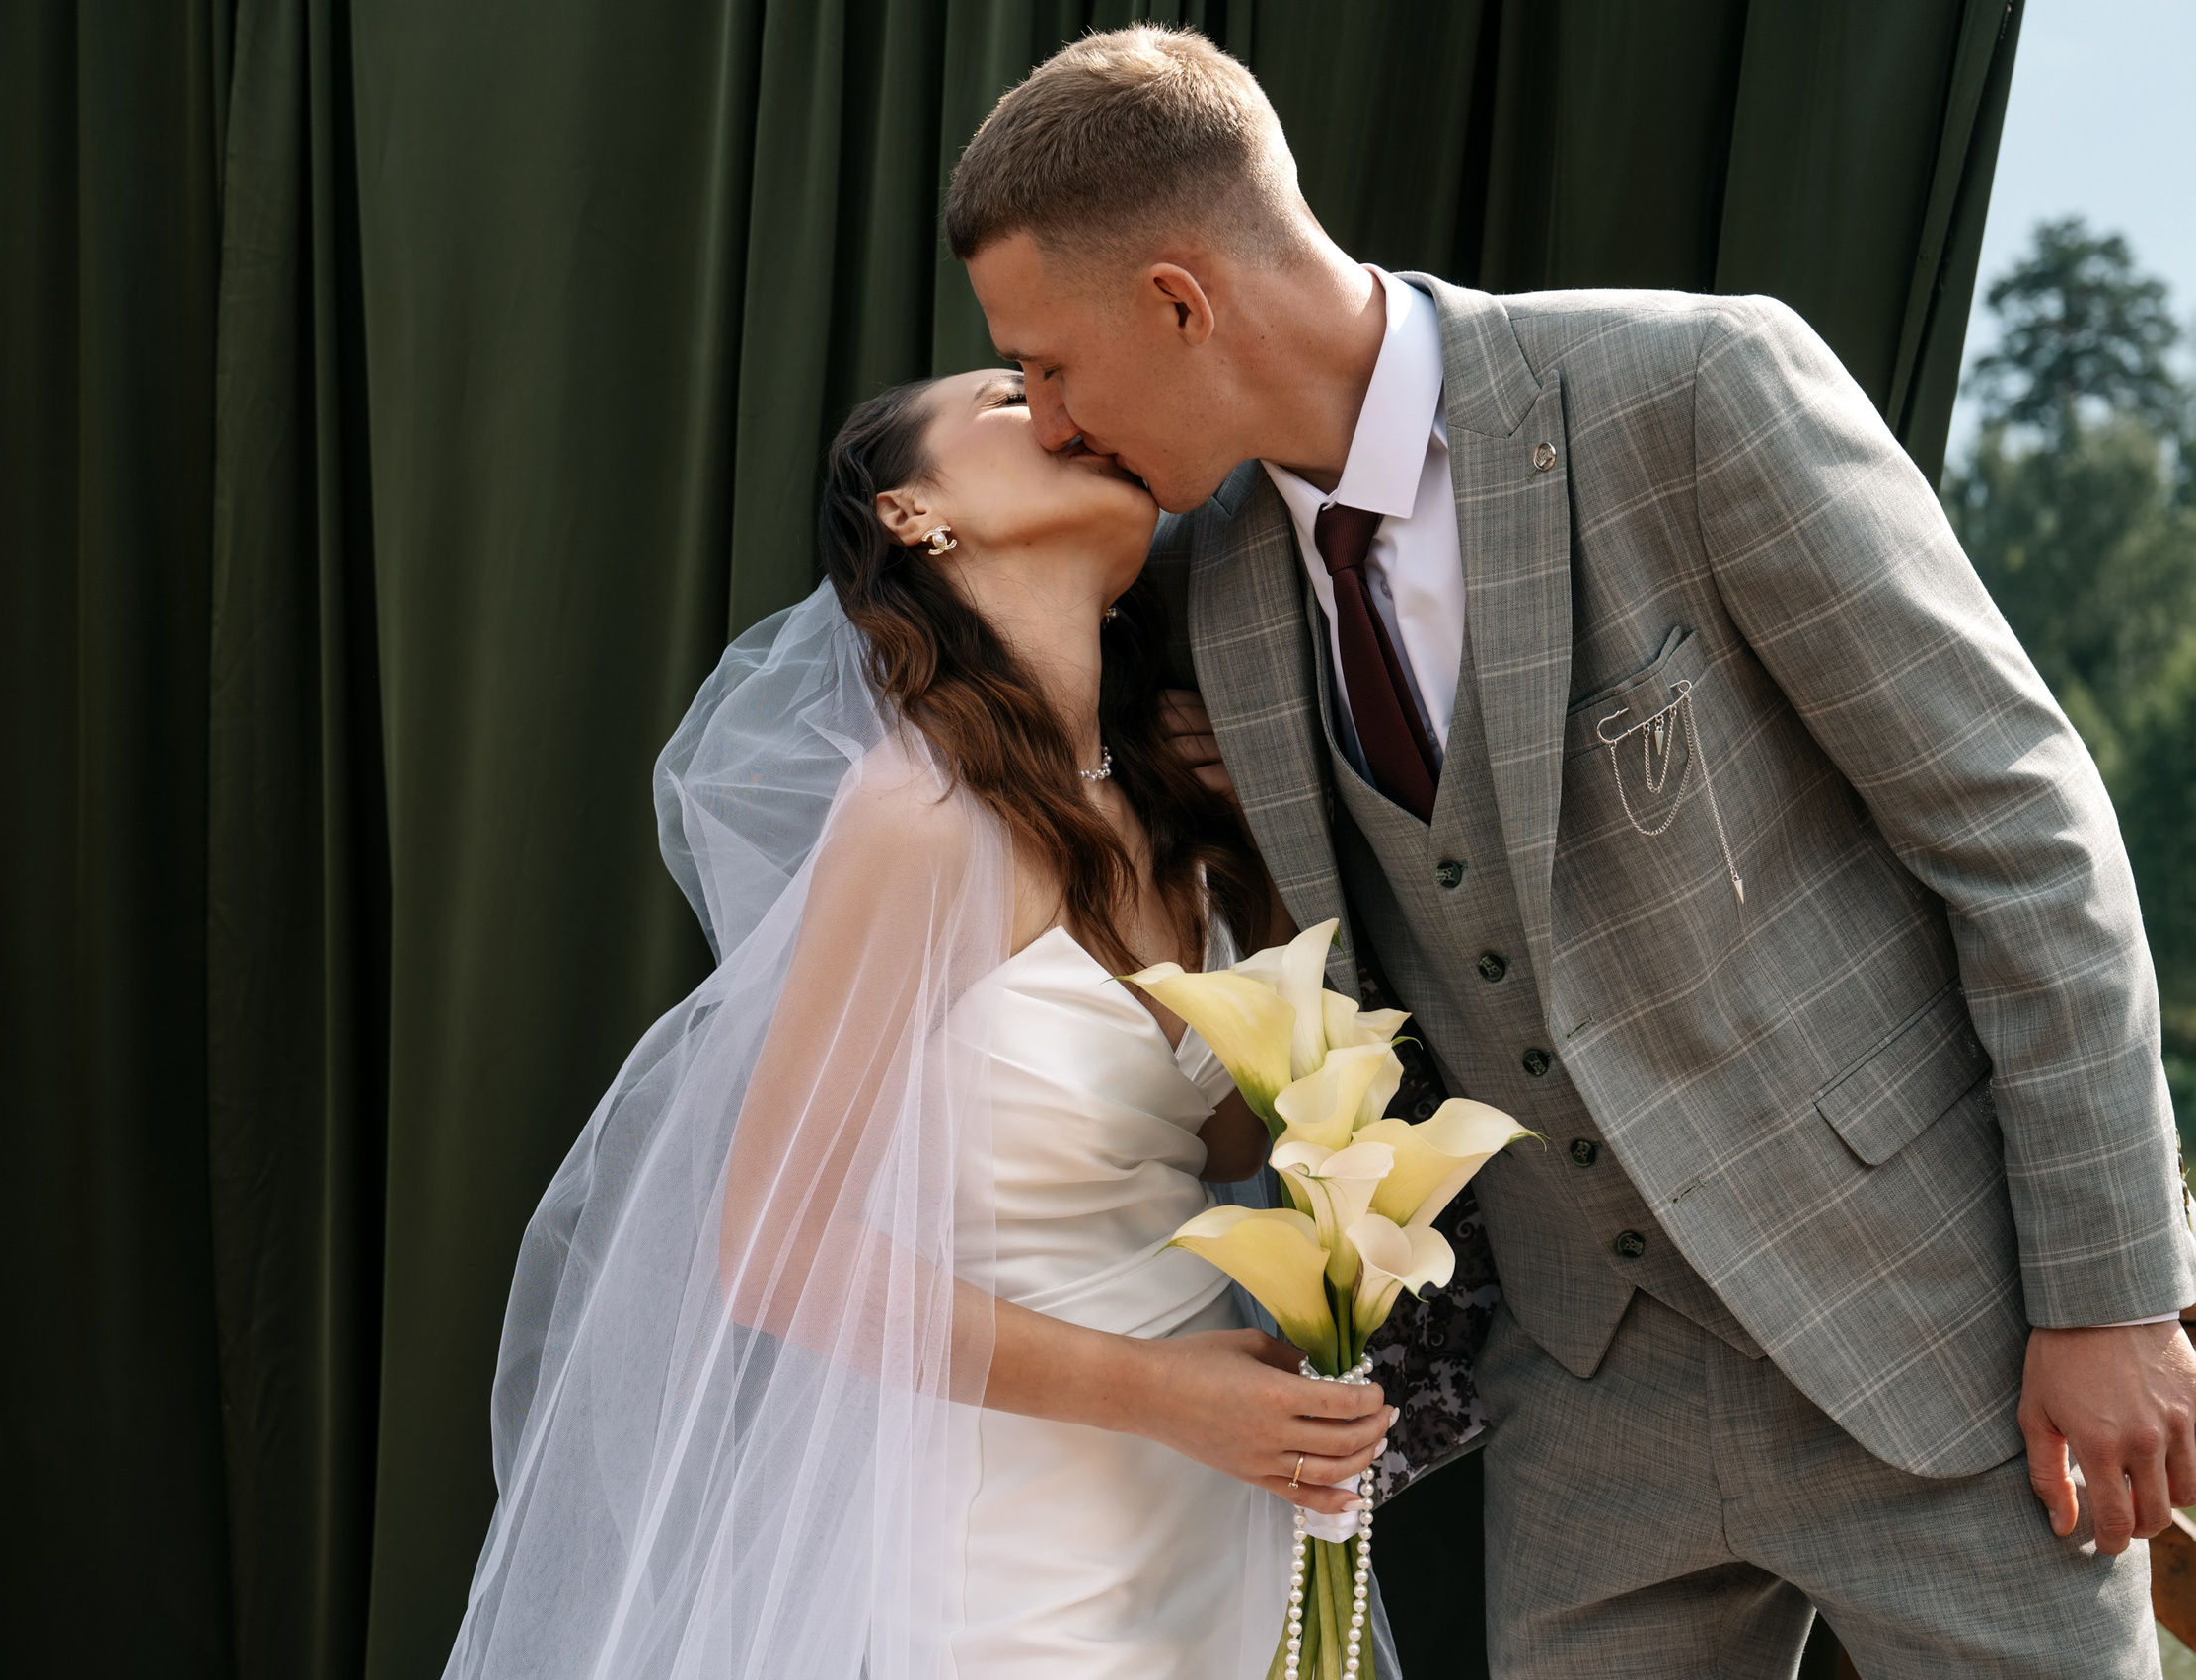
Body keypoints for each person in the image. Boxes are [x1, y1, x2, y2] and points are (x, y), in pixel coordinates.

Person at [943, 23, 2196, 1680]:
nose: (1044, 418)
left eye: (1049, 362)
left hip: (1930, 1333)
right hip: (1589, 1389)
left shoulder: (1692, 394)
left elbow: (2023, 833)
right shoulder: (1209, 584)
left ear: (1182, 300)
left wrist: (2115, 1298)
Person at [444, 366, 1436, 1679]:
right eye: (1009, 399)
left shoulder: (1174, 809)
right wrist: (1162, 1397)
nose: (1069, 412)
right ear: (913, 512)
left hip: (1212, 1502)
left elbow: (1206, 1152)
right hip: (1014, 1548)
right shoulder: (916, 816)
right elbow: (775, 1248)